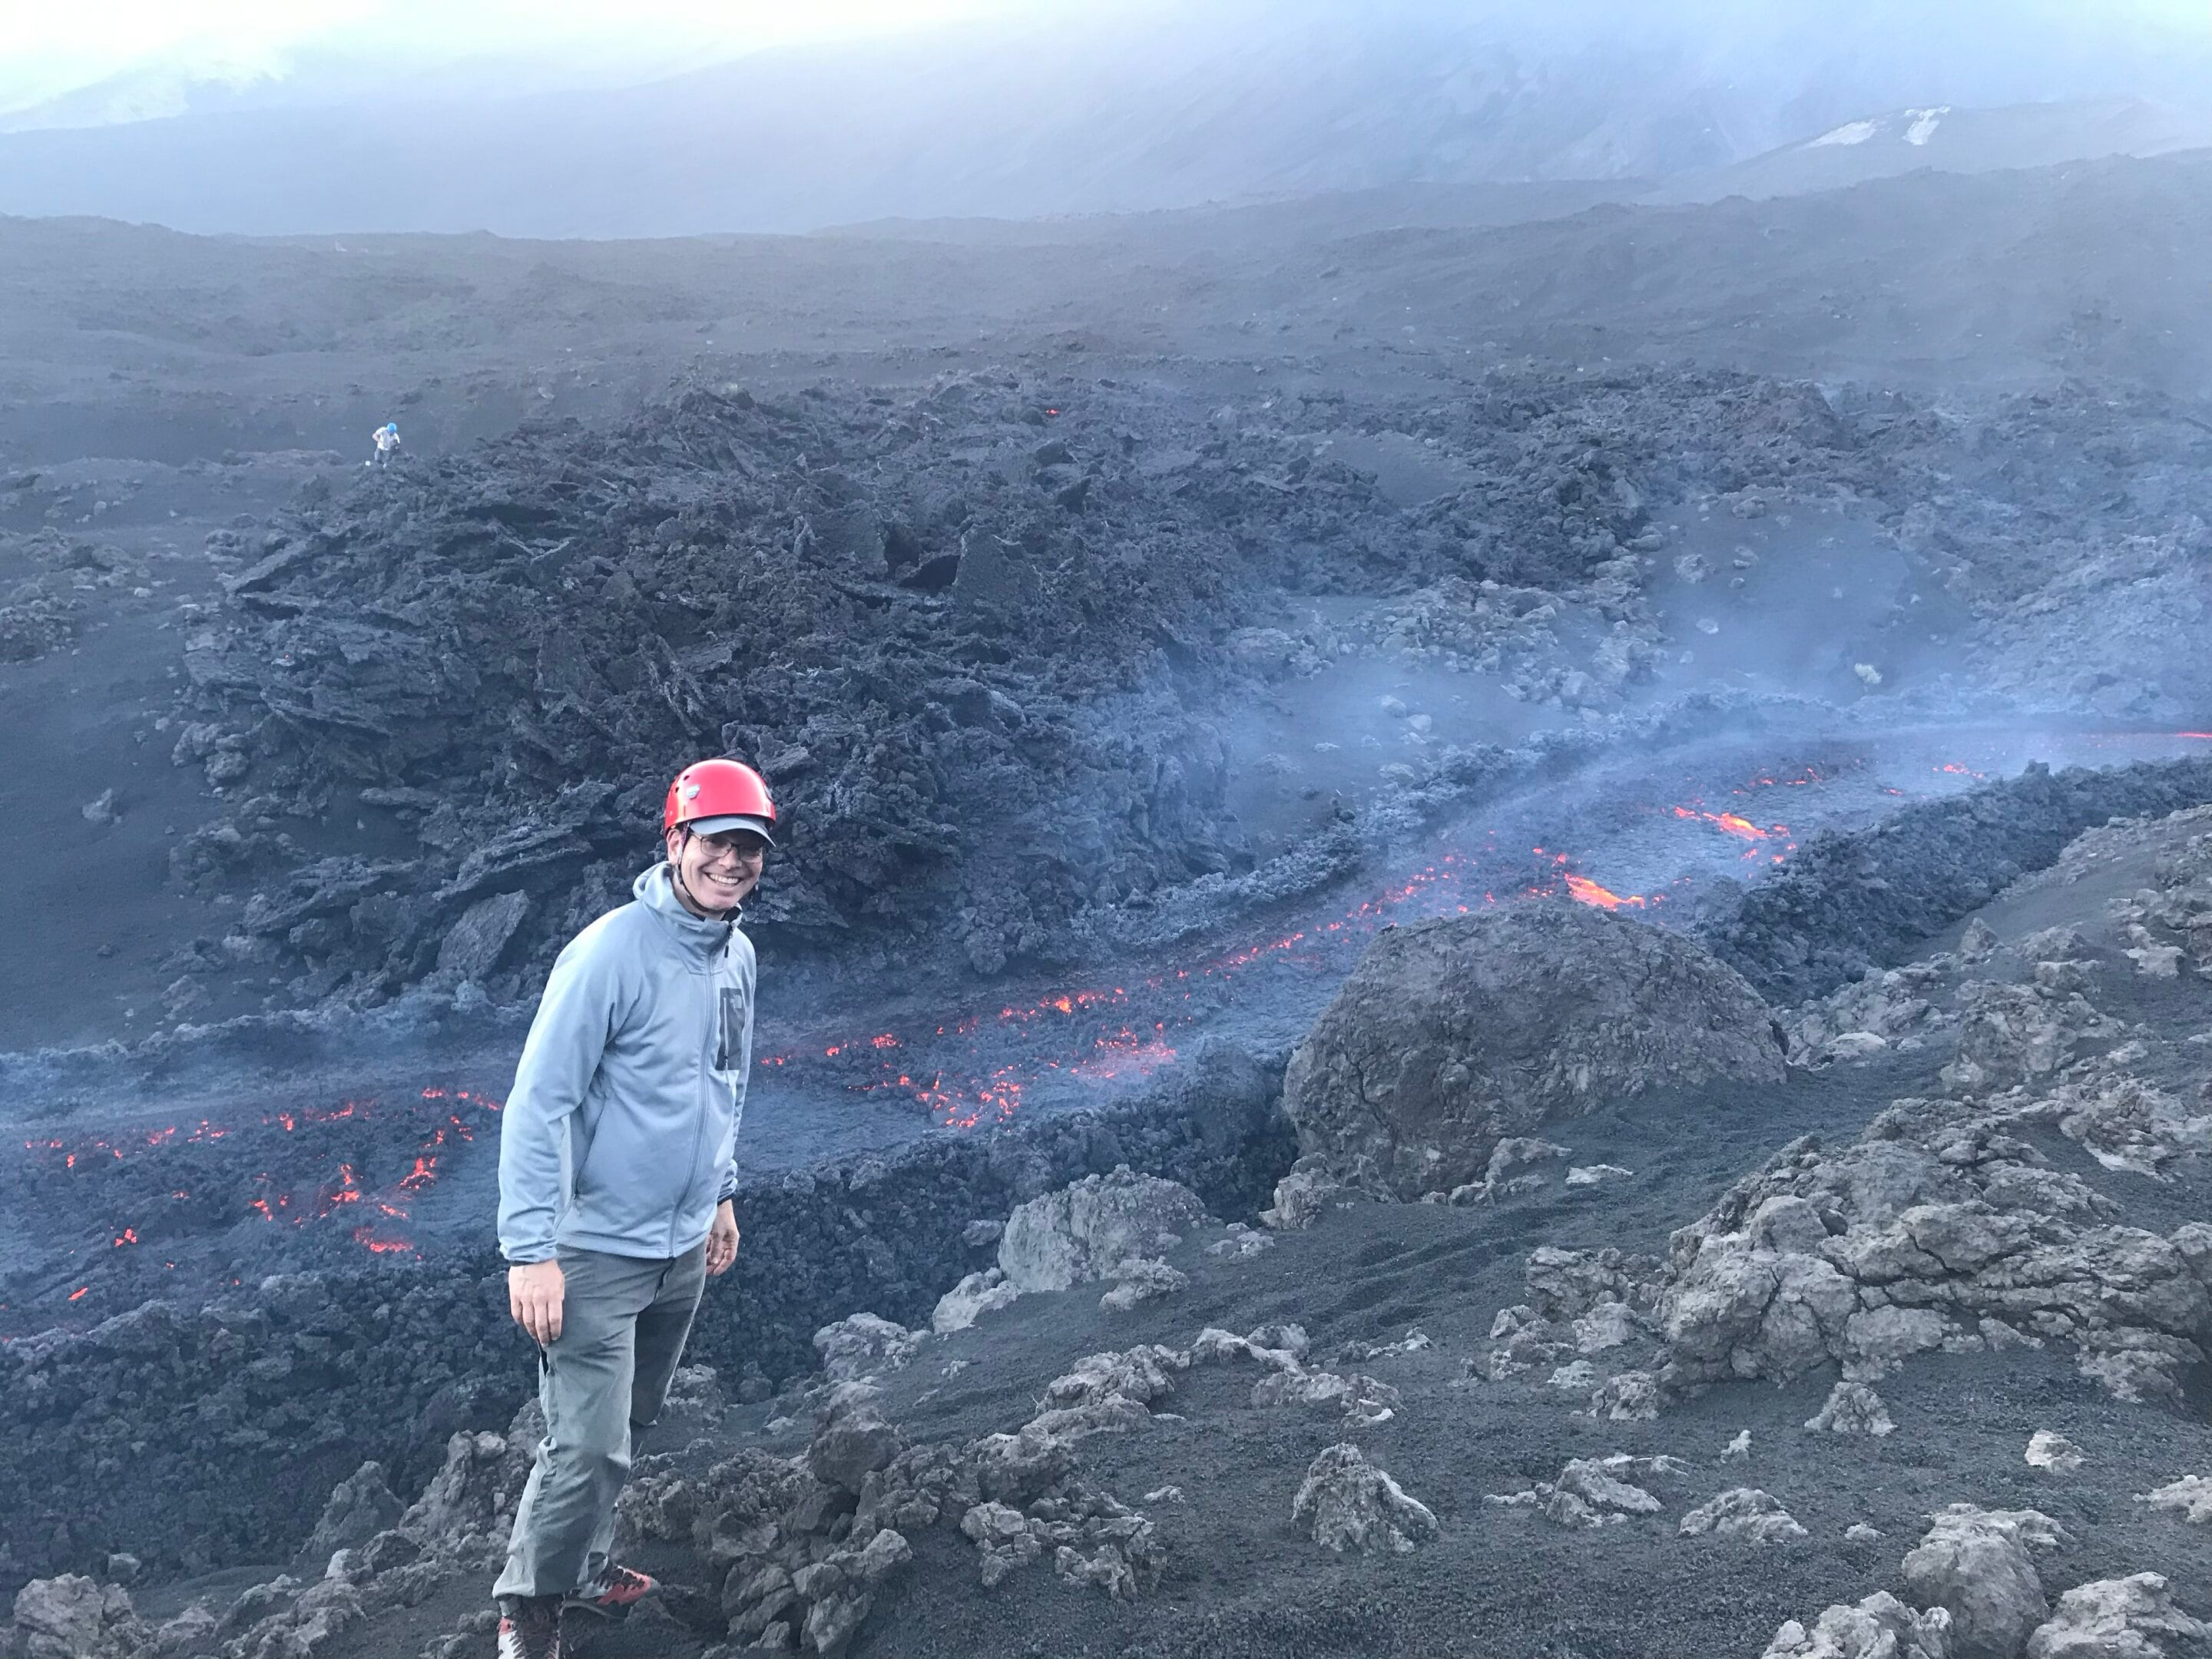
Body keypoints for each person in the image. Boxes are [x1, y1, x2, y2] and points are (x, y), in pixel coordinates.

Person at [491, 757, 777, 1659]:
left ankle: (586, 1567)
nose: (732, 861)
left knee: (631, 1422)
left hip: (682, 1244)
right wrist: (531, 1250)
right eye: (716, 842)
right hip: (594, 1250)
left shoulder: (737, 955)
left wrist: (721, 1196)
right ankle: (528, 1612)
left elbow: (725, 1083)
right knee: (584, 1444)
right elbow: (541, 1101)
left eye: (750, 847)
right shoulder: (612, 951)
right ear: (676, 841)